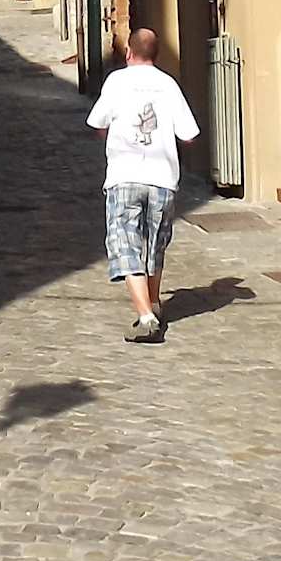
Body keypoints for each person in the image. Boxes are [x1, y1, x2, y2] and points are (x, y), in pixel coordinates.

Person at [87, 27, 199, 343]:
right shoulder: (169, 84)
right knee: (155, 244)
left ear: (128, 52)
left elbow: (98, 123)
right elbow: (189, 134)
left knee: (125, 242)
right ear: (156, 54)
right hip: (163, 178)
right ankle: (153, 303)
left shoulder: (116, 81)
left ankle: (146, 316)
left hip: (124, 176)